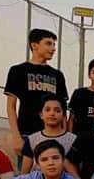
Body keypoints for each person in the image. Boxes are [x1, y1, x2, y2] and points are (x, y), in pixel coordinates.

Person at [4, 28, 68, 159]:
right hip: (27, 133)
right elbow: (11, 106)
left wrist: (64, 135)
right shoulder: (18, 70)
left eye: (54, 44)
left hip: (53, 135)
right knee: (27, 171)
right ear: (34, 45)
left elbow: (63, 109)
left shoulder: (57, 75)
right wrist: (16, 136)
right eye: (48, 44)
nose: (53, 48)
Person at [20, 97, 77, 173]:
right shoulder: (31, 140)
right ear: (41, 115)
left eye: (57, 110)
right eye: (47, 110)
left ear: (63, 115)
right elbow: (24, 173)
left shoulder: (74, 140)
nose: (52, 113)